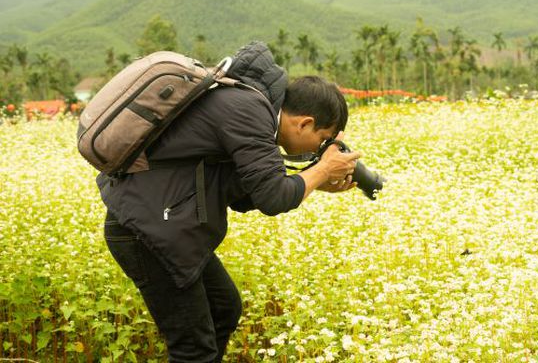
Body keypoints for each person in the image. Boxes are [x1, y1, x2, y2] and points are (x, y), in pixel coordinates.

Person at [97, 42, 360, 362]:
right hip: (145, 230)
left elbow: (245, 193)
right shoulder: (247, 109)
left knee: (224, 308)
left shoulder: (250, 107)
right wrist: (321, 171)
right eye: (322, 140)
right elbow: (273, 198)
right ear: (304, 123)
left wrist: (316, 182)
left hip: (164, 223)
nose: (318, 150)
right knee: (194, 349)